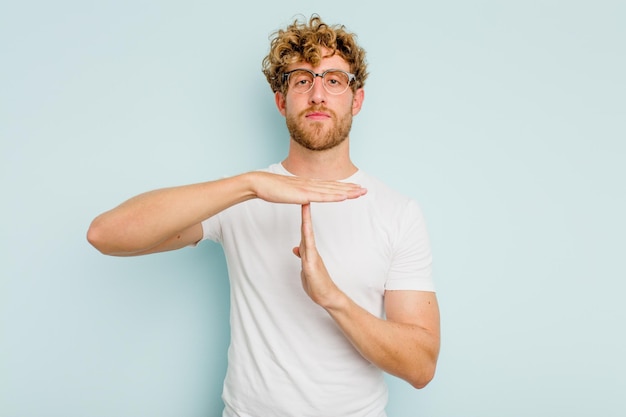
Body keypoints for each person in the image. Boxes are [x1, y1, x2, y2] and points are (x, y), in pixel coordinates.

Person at [87, 14, 440, 417]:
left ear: (356, 99)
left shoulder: (397, 212)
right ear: (281, 100)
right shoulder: (241, 196)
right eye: (302, 80)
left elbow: (421, 365)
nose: (318, 94)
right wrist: (251, 185)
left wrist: (333, 299)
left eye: (334, 80)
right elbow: (105, 234)